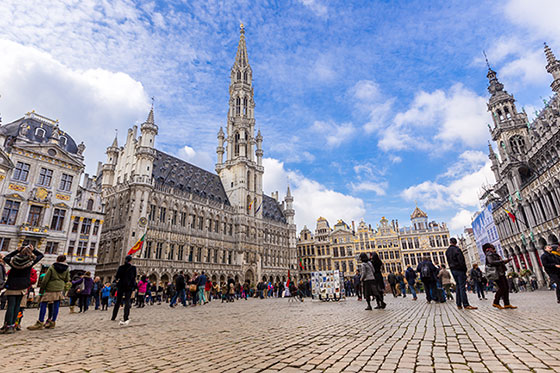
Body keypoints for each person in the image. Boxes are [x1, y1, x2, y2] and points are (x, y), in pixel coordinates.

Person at [1, 245, 44, 334]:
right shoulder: (30, 262)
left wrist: (16, 251)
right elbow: (40, 255)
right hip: (23, 286)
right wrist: (34, 250)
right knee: (17, 306)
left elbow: (6, 258)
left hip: (12, 284)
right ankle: (13, 325)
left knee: (10, 306)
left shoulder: (14, 261)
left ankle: (8, 325)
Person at [28, 255, 70, 330]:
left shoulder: (52, 267)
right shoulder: (66, 269)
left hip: (50, 288)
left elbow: (45, 280)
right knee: (56, 305)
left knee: (43, 304)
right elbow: (67, 279)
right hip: (59, 288)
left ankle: (40, 322)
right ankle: (52, 322)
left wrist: (42, 289)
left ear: (57, 259)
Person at [446, 238, 477, 310]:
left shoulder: (447, 251)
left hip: (453, 270)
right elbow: (461, 261)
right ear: (456, 243)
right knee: (462, 287)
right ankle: (466, 304)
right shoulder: (457, 250)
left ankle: (459, 304)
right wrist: (464, 269)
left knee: (458, 286)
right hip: (459, 270)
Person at [484, 243, 517, 309]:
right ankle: (496, 302)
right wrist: (502, 261)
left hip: (500, 272)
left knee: (506, 287)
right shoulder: (489, 254)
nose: (493, 246)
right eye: (491, 246)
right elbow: (491, 262)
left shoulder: (492, 253)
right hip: (497, 273)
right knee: (502, 288)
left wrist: (505, 261)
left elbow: (497, 262)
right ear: (489, 247)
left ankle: (507, 304)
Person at [111, 255, 137, 325]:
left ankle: (113, 316)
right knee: (127, 301)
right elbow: (134, 277)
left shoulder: (121, 267)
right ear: (131, 261)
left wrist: (117, 281)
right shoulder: (133, 268)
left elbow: (117, 276)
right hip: (128, 286)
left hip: (121, 285)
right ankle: (126, 317)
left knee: (118, 301)